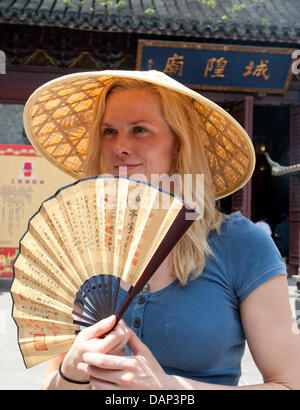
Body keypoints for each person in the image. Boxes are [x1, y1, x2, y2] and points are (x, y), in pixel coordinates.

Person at [23, 70, 300, 390]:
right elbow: (52, 384)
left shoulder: (240, 245)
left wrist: (168, 390)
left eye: (140, 130)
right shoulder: (80, 244)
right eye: (109, 131)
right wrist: (71, 370)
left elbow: (289, 384)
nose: (119, 146)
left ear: (179, 145)